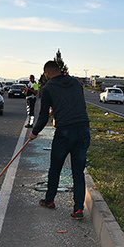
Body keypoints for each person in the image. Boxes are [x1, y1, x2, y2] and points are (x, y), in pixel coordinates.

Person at [29, 61, 90, 219]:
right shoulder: (76, 83)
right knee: (78, 172)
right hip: (83, 129)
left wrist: (34, 132)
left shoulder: (48, 88)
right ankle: (78, 209)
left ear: (47, 73)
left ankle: (49, 201)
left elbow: (43, 116)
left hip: (65, 132)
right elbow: (76, 103)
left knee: (55, 168)